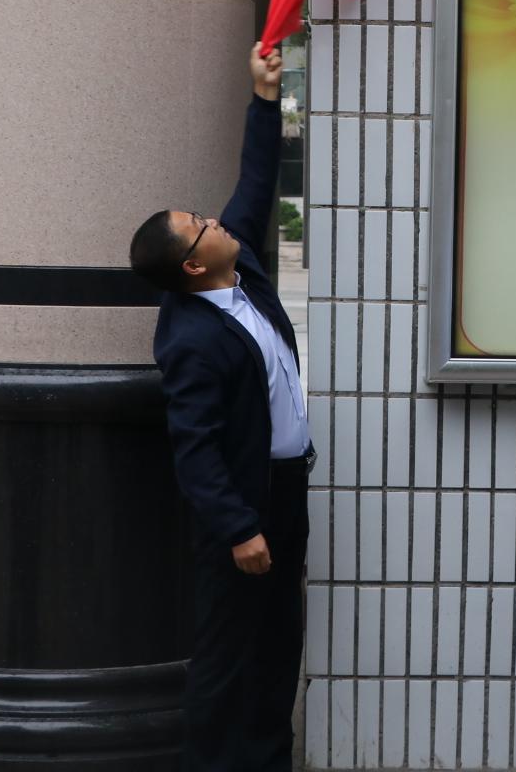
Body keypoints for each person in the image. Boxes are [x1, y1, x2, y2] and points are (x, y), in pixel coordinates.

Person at [133, 43, 311, 771]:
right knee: (230, 658)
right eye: (204, 224)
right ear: (192, 264)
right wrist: (240, 527)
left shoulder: (243, 279)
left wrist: (265, 98)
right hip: (243, 507)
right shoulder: (190, 339)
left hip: (285, 488)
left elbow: (256, 187)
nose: (218, 220)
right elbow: (195, 447)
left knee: (278, 648)